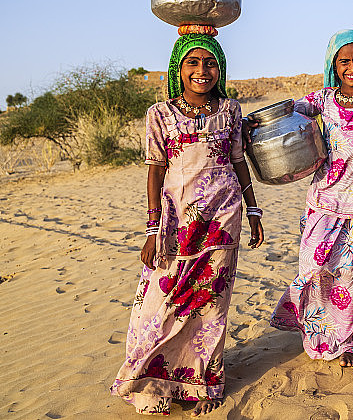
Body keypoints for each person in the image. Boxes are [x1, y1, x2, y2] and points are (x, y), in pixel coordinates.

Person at [111, 32, 264, 416]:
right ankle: (149, 377)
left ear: (221, 68)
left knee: (212, 304)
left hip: (224, 216)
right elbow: (156, 170)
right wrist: (151, 228)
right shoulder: (159, 114)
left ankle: (202, 384)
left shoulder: (230, 109)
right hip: (176, 221)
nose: (202, 71)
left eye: (210, 63)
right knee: (161, 303)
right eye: (193, 63)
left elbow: (237, 160)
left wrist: (254, 208)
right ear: (178, 68)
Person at [270, 29, 353, 368]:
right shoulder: (322, 100)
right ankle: (315, 334)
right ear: (334, 65)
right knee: (312, 269)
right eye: (344, 61)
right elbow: (287, 113)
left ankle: (345, 342)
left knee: (350, 278)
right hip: (322, 201)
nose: (352, 67)